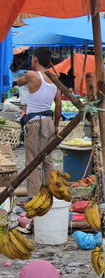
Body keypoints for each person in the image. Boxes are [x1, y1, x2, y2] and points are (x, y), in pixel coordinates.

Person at [17, 47, 62, 198]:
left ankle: (34, 197)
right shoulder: (54, 78)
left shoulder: (31, 75)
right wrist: (56, 125)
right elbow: (59, 105)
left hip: (34, 122)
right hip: (48, 121)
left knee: (33, 160)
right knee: (47, 160)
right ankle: (52, 193)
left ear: (35, 59)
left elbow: (19, 82)